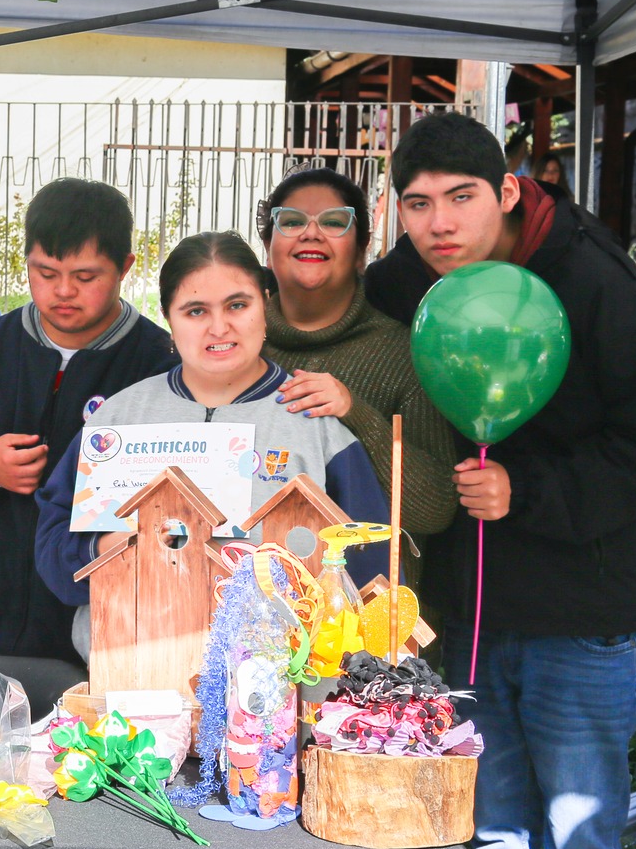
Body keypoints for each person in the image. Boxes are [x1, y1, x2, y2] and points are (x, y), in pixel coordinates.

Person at [364, 112, 636, 849]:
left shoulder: (603, 287)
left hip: (582, 616)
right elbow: (347, 322)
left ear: (510, 192)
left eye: (462, 199)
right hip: (469, 611)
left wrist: (532, 491)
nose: (440, 224)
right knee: (494, 822)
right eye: (418, 204)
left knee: (583, 829)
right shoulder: (412, 275)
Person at [35, 232, 390, 652]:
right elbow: (54, 548)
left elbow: (373, 569)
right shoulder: (119, 419)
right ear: (168, 317)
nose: (219, 327)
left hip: (282, 687)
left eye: (238, 305)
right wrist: (114, 545)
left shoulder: (313, 421)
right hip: (130, 681)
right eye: (195, 311)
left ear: (266, 305)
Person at [0, 178, 175, 659]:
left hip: (109, 639)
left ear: (126, 268)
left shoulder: (159, 366)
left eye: (86, 277)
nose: (64, 291)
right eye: (45, 273)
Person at [256, 166, 456, 544]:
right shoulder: (235, 346)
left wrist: (355, 412)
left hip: (361, 597)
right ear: (267, 249)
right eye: (292, 221)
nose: (311, 232)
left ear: (363, 252)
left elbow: (435, 510)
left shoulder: (402, 354)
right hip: (239, 589)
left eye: (334, 222)